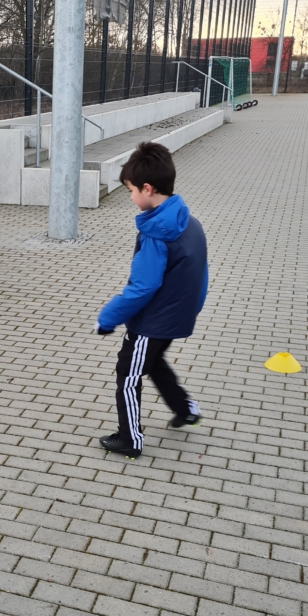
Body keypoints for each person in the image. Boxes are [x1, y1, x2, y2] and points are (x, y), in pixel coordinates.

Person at [94, 142, 209, 459]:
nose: (130, 197)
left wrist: (108, 318)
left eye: (131, 190)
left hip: (152, 322)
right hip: (175, 318)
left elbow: (142, 287)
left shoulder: (157, 234)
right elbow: (202, 274)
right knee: (154, 363)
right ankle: (186, 410)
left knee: (128, 376)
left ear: (147, 188)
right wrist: (190, 310)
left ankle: (130, 439)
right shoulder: (190, 222)